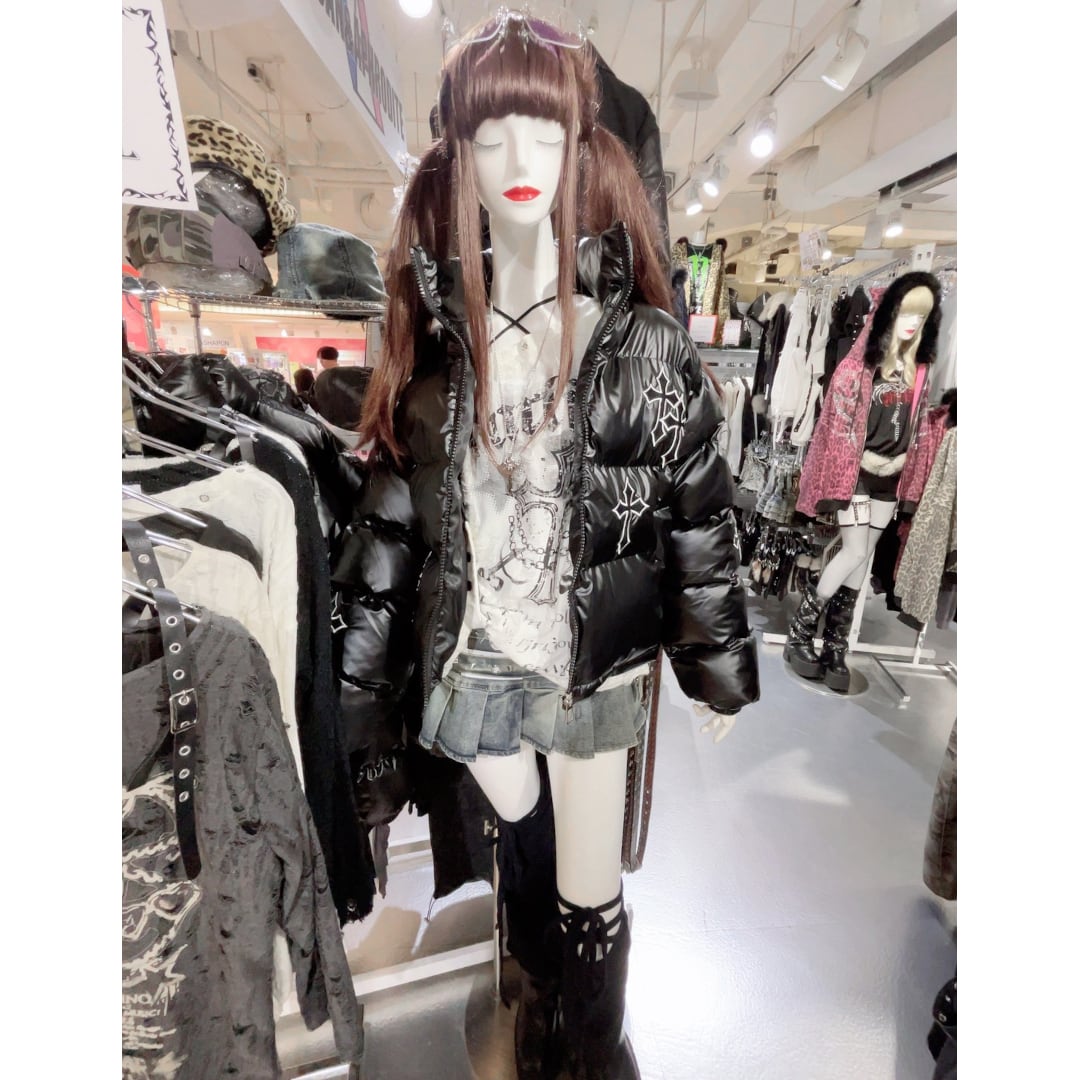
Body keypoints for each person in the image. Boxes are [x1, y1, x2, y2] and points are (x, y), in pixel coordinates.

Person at [352, 13, 759, 1078]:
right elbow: (389, 531)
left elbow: (697, 511)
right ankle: (542, 993)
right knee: (520, 837)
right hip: (481, 659)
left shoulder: (641, 343)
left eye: (545, 131)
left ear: (585, 149)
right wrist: (356, 696)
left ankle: (592, 1045)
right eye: (491, 135)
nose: (519, 159)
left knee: (591, 885)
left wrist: (715, 670)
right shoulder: (438, 354)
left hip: (590, 662)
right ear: (460, 159)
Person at [785, 271, 942, 692]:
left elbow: (918, 429)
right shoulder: (857, 367)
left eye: (921, 316)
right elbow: (836, 428)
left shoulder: (920, 371)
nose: (912, 323)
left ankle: (835, 645)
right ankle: (801, 633)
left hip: (891, 475)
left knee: (864, 555)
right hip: (855, 473)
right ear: (888, 314)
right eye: (906, 313)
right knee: (853, 550)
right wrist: (838, 477)